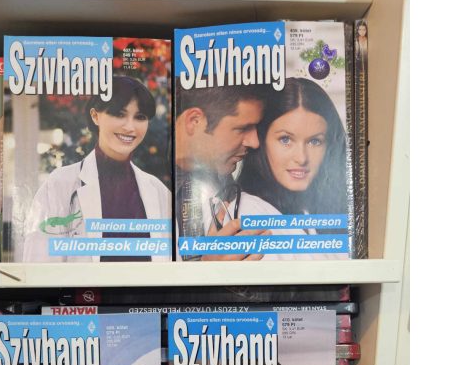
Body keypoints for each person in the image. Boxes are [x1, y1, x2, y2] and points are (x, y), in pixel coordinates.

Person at [22, 75, 171, 262]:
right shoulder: (61, 184)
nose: (130, 127)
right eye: (119, 114)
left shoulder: (158, 191)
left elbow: (175, 270)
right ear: (95, 116)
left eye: (140, 117)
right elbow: (38, 267)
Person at [175, 83, 285, 261]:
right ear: (194, 121)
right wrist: (208, 273)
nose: (254, 142)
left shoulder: (251, 205)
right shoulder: (150, 190)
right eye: (242, 128)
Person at [239, 77, 349, 221]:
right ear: (262, 139)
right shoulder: (249, 211)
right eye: (285, 140)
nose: (302, 158)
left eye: (314, 141)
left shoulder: (309, 209)